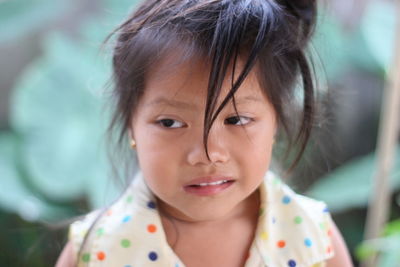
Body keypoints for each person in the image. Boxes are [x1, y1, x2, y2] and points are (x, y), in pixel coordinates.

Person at [56, 0, 354, 266]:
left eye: (236, 119)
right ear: (132, 125)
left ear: (275, 121)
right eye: (170, 123)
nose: (207, 154)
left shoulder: (314, 240)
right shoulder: (94, 252)